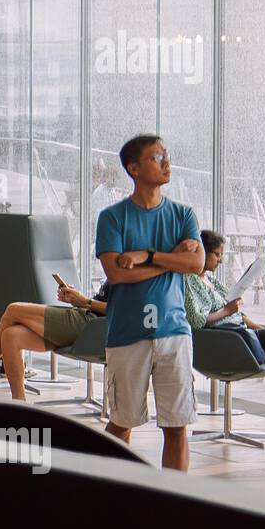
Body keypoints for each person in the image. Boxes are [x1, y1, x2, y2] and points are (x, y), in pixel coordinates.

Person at [96, 134, 204, 472]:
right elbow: (117, 275)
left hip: (174, 332)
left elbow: (197, 265)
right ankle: (107, 493)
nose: (166, 163)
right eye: (157, 158)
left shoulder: (184, 215)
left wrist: (147, 255)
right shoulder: (112, 218)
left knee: (177, 427)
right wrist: (171, 259)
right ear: (134, 168)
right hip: (127, 334)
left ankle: (175, 504)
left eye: (166, 156)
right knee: (121, 423)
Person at [185, 230, 265, 448]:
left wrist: (256, 326)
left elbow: (235, 310)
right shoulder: (188, 281)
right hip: (225, 341)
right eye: (217, 255)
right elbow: (197, 321)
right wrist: (226, 311)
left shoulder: (211, 281)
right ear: (202, 252)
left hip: (240, 333)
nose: (221, 260)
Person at [0, 281, 109, 399]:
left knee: (13, 310)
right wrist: (76, 300)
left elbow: (119, 309)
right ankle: (19, 404)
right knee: (11, 336)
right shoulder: (119, 266)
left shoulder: (126, 271)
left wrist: (84, 301)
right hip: (85, 318)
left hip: (89, 324)